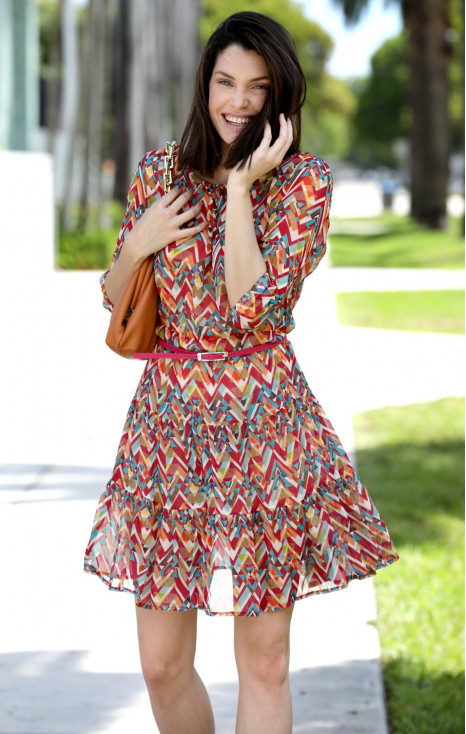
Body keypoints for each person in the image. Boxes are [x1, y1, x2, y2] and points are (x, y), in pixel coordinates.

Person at [84, 11, 399, 734]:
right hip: (169, 428)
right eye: (225, 81)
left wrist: (234, 192)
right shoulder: (160, 171)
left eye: (256, 88)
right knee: (161, 663)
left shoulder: (304, 183)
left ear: (279, 96)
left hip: (266, 426)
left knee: (265, 662)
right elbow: (114, 296)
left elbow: (252, 307)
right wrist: (136, 246)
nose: (238, 101)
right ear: (205, 84)